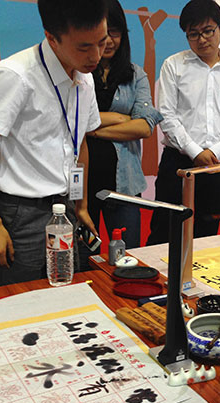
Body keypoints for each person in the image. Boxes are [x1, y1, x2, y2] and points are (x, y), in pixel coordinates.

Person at [0, 0, 108, 286]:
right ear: (52, 38)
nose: (95, 55)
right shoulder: (15, 75)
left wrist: (81, 206)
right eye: (83, 47)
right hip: (20, 215)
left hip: (65, 207)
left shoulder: (85, 78)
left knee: (66, 292)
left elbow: (80, 144)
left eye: (102, 42)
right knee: (19, 299)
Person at [146, 0, 220, 245]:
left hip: (216, 166)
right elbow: (167, 115)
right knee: (164, 232)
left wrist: (216, 151)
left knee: (206, 235)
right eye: (193, 34)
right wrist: (195, 151)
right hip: (177, 164)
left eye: (207, 31)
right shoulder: (174, 65)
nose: (201, 40)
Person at [86, 0, 163, 252]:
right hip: (81, 188)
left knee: (128, 257)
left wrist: (90, 129)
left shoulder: (136, 75)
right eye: (102, 33)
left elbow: (144, 128)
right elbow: (69, 121)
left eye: (115, 32)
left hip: (124, 185)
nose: (108, 40)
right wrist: (121, 118)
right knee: (84, 260)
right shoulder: (78, 73)